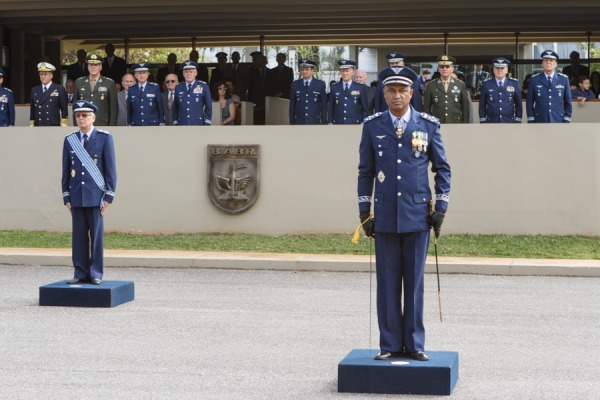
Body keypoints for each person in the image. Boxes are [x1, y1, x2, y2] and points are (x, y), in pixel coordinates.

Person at [357, 66, 450, 362]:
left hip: (418, 215)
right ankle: (389, 343)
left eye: (402, 90)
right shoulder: (372, 126)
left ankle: (415, 343)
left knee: (414, 283)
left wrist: (442, 206)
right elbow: (366, 171)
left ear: (412, 93)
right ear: (383, 94)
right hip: (384, 216)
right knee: (387, 283)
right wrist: (364, 210)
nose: (397, 96)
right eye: (391, 90)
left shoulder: (428, 125)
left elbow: (442, 168)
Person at [62, 100, 117, 285]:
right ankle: (80, 272)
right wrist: (66, 196)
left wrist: (108, 195)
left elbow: (110, 169)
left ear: (93, 117)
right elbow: (65, 170)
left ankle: (95, 273)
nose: (80, 118)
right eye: (78, 115)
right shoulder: (70, 140)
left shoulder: (104, 138)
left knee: (96, 238)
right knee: (78, 237)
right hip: (77, 195)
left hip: (96, 196)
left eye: (84, 115)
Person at [526, 50, 572, 123]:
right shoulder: (535, 79)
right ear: (542, 63)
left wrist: (567, 118)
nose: (548, 62)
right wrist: (531, 118)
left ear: (556, 64)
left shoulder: (563, 79)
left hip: (558, 119)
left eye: (551, 60)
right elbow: (529, 102)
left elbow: (568, 102)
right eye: (546, 60)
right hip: (539, 119)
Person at [422, 55, 470, 123]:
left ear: (452, 69)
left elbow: (465, 108)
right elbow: (427, 108)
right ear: (438, 69)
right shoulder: (431, 85)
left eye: (447, 67)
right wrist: (427, 124)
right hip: (437, 123)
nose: (444, 69)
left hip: (455, 123)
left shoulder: (460, 84)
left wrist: (465, 124)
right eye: (442, 67)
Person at [73, 53, 118, 126]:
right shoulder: (79, 82)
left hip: (102, 124)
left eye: (96, 65)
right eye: (91, 65)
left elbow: (113, 109)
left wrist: (112, 127)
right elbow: (75, 107)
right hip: (84, 124)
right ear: (87, 66)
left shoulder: (109, 83)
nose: (93, 67)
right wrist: (76, 125)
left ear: (100, 67)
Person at [478, 57, 522, 123]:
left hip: (509, 122)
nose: (499, 70)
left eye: (502, 68)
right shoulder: (486, 84)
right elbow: (482, 105)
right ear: (493, 69)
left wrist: (518, 120)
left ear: (507, 70)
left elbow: (518, 104)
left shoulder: (514, 83)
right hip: (491, 122)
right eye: (497, 68)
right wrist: (483, 120)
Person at [172, 60, 212, 126]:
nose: (188, 74)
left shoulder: (203, 86)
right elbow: (175, 107)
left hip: (198, 123)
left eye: (191, 72)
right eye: (186, 72)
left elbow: (208, 106)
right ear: (183, 74)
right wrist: (175, 121)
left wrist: (207, 122)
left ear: (195, 73)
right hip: (182, 123)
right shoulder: (178, 87)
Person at [328, 59, 368, 124]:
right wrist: (330, 122)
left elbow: (364, 109)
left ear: (353, 72)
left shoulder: (360, 87)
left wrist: (363, 122)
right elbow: (331, 108)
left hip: (354, 123)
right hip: (338, 123)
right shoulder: (334, 87)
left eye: (347, 71)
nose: (345, 73)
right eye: (342, 71)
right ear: (340, 72)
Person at [289, 59, 327, 124]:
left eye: (307, 69)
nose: (304, 71)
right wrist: (292, 123)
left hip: (314, 121)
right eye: (302, 69)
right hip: (299, 121)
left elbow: (324, 106)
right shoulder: (294, 85)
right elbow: (292, 106)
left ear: (312, 71)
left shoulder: (320, 84)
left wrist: (323, 122)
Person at [29, 62, 68, 127]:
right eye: (41, 74)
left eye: (45, 74)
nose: (43, 76)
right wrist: (31, 122)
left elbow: (64, 108)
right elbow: (32, 109)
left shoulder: (59, 89)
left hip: (53, 124)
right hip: (38, 124)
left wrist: (64, 122)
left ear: (51, 76)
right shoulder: (34, 90)